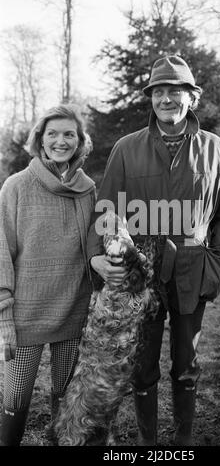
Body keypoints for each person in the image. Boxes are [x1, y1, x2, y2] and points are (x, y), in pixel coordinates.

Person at [87, 55, 220, 446]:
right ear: (151, 98)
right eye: (159, 92)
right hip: (142, 270)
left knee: (187, 364)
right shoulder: (127, 148)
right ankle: (149, 446)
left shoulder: (214, 149)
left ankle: (183, 444)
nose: (166, 99)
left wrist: (217, 259)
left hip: (193, 268)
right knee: (143, 367)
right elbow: (107, 212)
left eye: (176, 91)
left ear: (193, 97)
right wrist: (103, 257)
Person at [0, 104, 96, 446]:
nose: (60, 141)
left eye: (69, 134)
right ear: (39, 140)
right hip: (25, 315)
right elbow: (2, 253)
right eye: (52, 133)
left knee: (65, 395)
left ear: (80, 141)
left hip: (72, 311)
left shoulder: (89, 191)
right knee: (15, 400)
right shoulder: (16, 187)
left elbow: (95, 250)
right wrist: (4, 315)